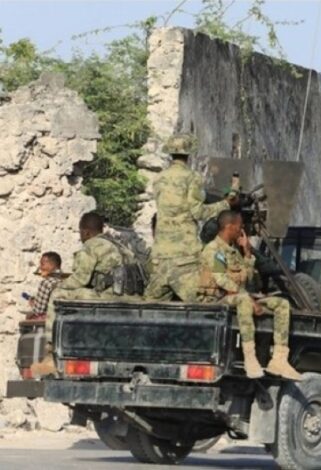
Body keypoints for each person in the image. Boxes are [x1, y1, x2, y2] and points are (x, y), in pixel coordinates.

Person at [198, 210, 301, 380]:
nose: (241, 230)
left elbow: (248, 278)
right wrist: (249, 298)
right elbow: (222, 280)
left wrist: (247, 253)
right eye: (239, 227)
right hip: (217, 299)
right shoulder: (215, 250)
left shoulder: (233, 251)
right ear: (229, 227)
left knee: (281, 304)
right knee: (245, 300)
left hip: (239, 296)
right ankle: (250, 358)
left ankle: (279, 359)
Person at [144, 133, 236, 302]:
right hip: (184, 257)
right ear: (188, 154)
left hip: (160, 256)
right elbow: (198, 212)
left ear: (170, 153)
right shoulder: (193, 177)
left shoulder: (159, 179)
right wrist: (225, 204)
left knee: (152, 307)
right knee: (204, 304)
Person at [30, 212, 123, 377]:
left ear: (86, 232)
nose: (80, 236)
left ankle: (50, 351)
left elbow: (80, 279)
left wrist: (61, 285)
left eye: (80, 232)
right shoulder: (116, 244)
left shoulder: (91, 245)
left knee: (58, 294)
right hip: (122, 294)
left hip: (105, 295)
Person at [24, 252, 63, 321]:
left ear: (51, 266)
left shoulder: (46, 283)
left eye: (42, 264)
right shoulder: (65, 280)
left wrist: (34, 304)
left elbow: (38, 311)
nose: (40, 267)